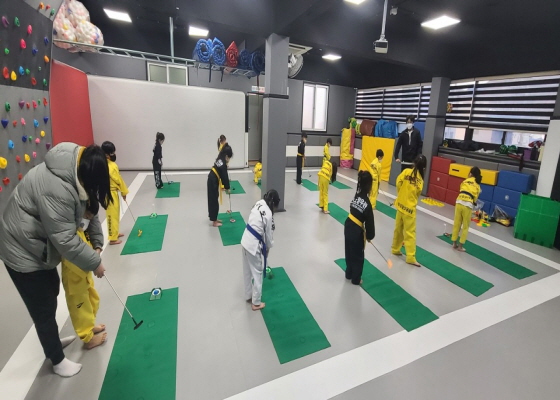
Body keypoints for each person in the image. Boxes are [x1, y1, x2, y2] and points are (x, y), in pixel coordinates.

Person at [0, 142, 111, 378]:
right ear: (87, 177)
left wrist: (98, 243)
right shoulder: (58, 189)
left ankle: (52, 341)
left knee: (52, 291)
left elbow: (89, 210)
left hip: (37, 243)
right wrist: (95, 263)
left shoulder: (78, 169)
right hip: (19, 247)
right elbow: (65, 240)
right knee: (42, 305)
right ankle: (57, 360)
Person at [61, 199, 107, 350]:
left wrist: (95, 253)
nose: (87, 219)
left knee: (92, 299)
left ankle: (90, 326)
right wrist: (93, 264)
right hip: (74, 276)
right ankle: (88, 339)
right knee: (80, 306)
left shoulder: (80, 229)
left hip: (84, 274)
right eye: (86, 216)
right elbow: (72, 254)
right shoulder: (67, 232)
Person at [241, 189, 280, 311]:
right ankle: (256, 303)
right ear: (273, 204)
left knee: (247, 271)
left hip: (245, 240)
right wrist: (267, 249)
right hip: (253, 245)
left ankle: (248, 295)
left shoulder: (259, 203)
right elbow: (268, 237)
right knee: (257, 273)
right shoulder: (268, 214)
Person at [391, 154, 427, 267]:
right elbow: (417, 194)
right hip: (409, 210)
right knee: (410, 234)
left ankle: (395, 249)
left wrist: (401, 194)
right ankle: (410, 257)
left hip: (400, 205)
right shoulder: (420, 181)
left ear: (414, 163)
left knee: (398, 229)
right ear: (424, 168)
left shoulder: (406, 172)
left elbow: (398, 183)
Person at [344, 171, 375, 285]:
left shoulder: (356, 196)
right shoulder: (367, 204)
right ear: (369, 186)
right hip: (356, 231)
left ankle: (349, 273)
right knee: (358, 255)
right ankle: (356, 279)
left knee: (349, 251)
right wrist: (370, 236)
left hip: (348, 225)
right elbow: (370, 223)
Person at [102, 141, 129, 245]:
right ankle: (113, 238)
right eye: (112, 152)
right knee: (111, 215)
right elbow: (118, 180)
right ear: (107, 154)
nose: (114, 154)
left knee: (115, 213)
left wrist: (122, 191)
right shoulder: (110, 165)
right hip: (109, 193)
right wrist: (124, 192)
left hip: (111, 192)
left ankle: (115, 232)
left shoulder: (105, 164)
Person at [451, 167, 482, 252]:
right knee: (465, 226)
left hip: (459, 202)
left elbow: (461, 189)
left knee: (457, 223)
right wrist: (473, 203)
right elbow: (475, 198)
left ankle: (454, 243)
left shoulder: (465, 181)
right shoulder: (477, 185)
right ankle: (460, 246)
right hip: (467, 205)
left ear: (470, 173)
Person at [208, 145, 233, 227]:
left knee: (215, 199)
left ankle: (214, 218)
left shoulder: (220, 157)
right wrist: (227, 187)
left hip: (212, 178)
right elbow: (224, 177)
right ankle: (214, 221)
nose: (229, 160)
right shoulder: (223, 164)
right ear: (226, 156)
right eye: (229, 158)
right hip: (213, 180)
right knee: (213, 200)